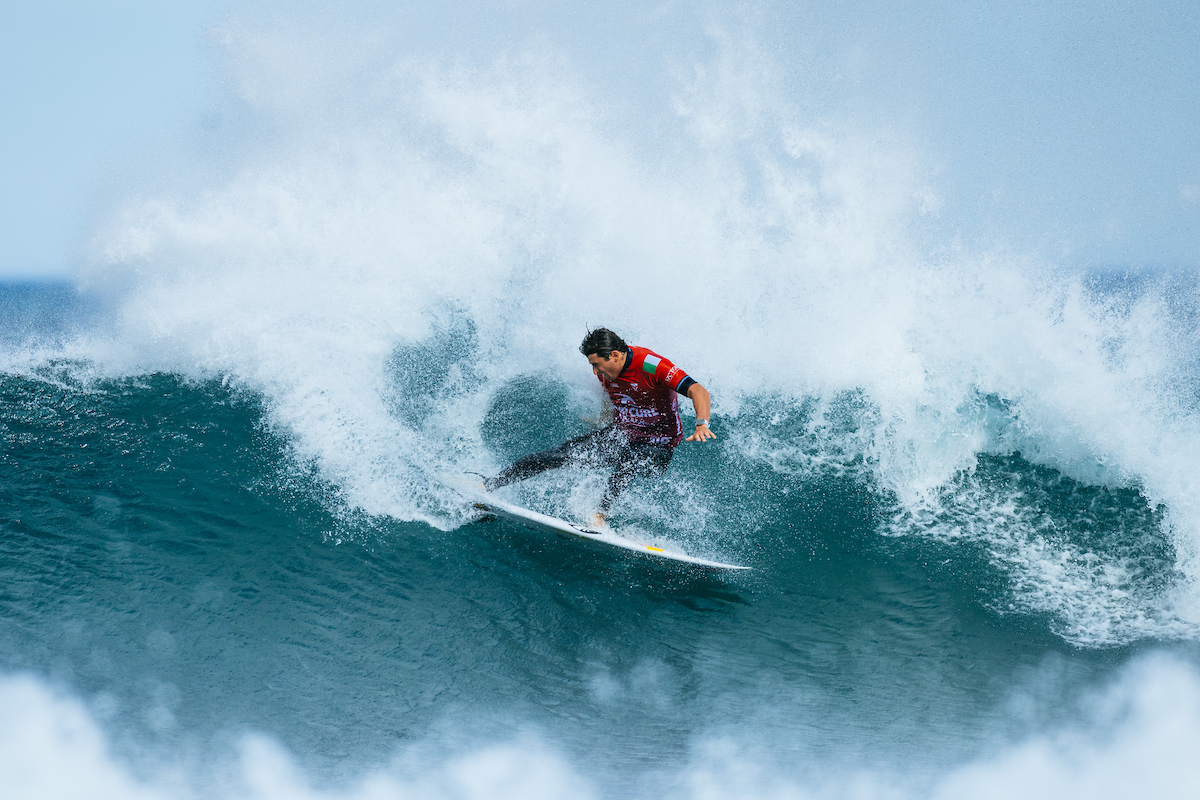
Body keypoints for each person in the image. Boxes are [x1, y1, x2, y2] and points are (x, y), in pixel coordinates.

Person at [484, 327, 715, 527]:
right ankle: (489, 484)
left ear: (614, 355)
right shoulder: (607, 372)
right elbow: (615, 395)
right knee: (556, 456)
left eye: (597, 364)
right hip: (622, 436)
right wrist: (605, 419)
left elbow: (698, 390)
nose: (594, 371)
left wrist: (701, 423)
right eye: (592, 365)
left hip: (658, 449)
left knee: (632, 457)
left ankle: (599, 515)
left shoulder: (651, 364)